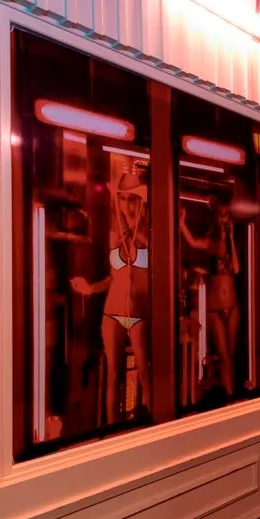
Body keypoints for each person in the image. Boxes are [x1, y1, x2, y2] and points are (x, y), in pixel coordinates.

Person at [71, 168, 151, 424]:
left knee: (145, 373)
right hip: (112, 311)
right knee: (114, 375)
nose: (127, 205)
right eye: (123, 199)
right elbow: (114, 277)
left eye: (132, 199)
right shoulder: (114, 234)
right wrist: (90, 288)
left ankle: (153, 422)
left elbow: (156, 267)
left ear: (140, 201)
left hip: (138, 312)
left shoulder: (149, 233)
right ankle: (112, 429)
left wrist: (134, 228)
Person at [180, 200, 240, 397]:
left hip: (232, 306)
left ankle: (231, 394)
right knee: (224, 356)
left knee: (231, 355)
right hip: (215, 308)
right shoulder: (210, 244)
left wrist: (231, 238)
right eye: (222, 217)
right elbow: (192, 242)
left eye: (227, 217)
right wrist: (181, 223)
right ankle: (230, 397)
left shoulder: (231, 247)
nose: (225, 220)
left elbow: (237, 269)